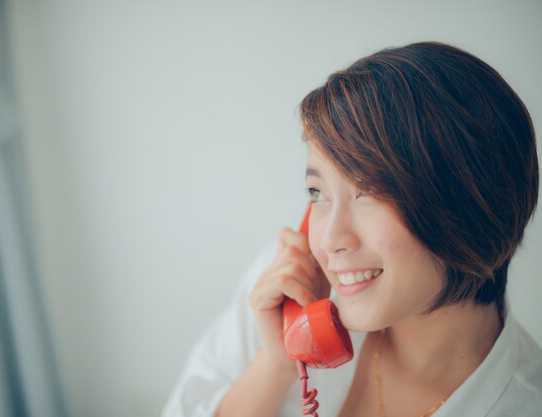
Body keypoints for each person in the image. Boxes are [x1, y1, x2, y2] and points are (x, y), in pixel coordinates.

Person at [161, 41, 542, 417]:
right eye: (317, 192)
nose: (328, 242)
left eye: (370, 191)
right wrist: (275, 364)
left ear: (471, 205)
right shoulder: (290, 284)